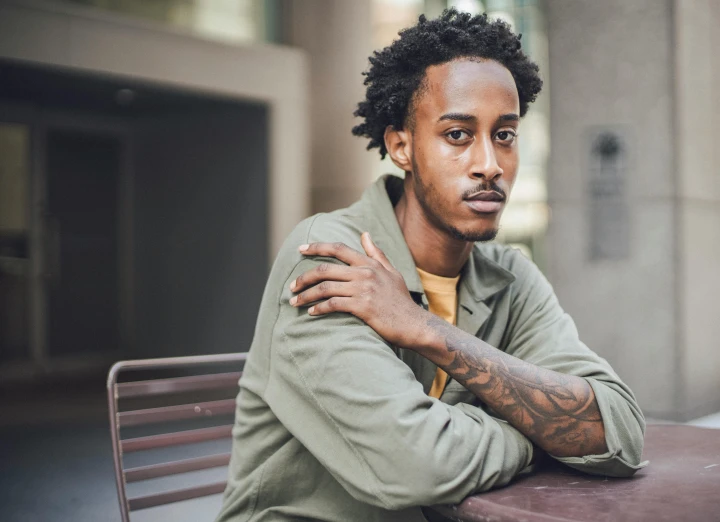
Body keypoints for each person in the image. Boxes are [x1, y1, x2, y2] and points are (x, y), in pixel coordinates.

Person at [217, 9, 646, 522]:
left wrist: (424, 330)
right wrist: (540, 434)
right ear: (401, 145)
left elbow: (617, 429)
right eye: (459, 135)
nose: (490, 163)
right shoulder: (330, 259)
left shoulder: (510, 276)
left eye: (504, 135)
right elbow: (416, 466)